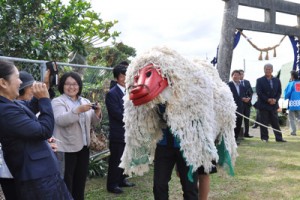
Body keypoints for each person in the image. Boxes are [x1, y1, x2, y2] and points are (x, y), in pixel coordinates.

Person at [0, 60, 72, 199]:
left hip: (42, 174)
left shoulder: (10, 103)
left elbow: (30, 106)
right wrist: (45, 100)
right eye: (17, 77)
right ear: (3, 82)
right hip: (36, 178)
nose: (20, 82)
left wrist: (45, 85)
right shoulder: (4, 111)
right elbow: (43, 131)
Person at [52, 72, 102, 200]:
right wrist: (77, 110)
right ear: (62, 86)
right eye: (67, 84)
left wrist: (97, 112)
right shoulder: (58, 102)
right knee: (67, 182)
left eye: (74, 84)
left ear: (79, 86)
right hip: (66, 148)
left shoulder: (85, 100)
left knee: (80, 181)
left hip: (84, 147)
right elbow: (60, 120)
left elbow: (92, 122)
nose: (71, 87)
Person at [154, 104, 198, 200]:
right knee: (159, 184)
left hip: (188, 145)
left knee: (190, 186)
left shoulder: (193, 91)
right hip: (164, 144)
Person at [106, 64, 135, 194]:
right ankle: (112, 184)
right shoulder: (112, 94)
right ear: (117, 78)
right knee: (116, 159)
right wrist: (133, 116)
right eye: (122, 76)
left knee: (127, 157)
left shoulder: (130, 91)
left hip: (129, 132)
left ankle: (122, 179)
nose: (125, 78)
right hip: (118, 132)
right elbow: (116, 113)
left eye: (127, 76)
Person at [255, 63, 286, 142]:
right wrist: (268, 99)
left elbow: (279, 92)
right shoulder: (259, 80)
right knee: (264, 123)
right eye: (266, 69)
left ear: (272, 70)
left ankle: (279, 138)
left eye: (269, 69)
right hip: (264, 104)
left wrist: (275, 99)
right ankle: (264, 138)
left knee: (275, 122)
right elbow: (259, 92)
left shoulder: (277, 80)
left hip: (274, 105)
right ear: (264, 70)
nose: (268, 71)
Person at [227, 70, 250, 144]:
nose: (236, 76)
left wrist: (246, 99)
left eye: (238, 75)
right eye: (235, 75)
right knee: (231, 124)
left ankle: (235, 139)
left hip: (240, 108)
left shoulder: (242, 86)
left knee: (238, 124)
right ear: (232, 76)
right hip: (231, 108)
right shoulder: (228, 85)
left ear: (240, 76)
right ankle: (231, 140)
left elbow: (244, 95)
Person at [284, 70, 300, 136]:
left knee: (292, 118)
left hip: (292, 104)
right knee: (299, 117)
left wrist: (286, 97)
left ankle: (293, 132)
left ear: (292, 76)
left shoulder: (291, 83)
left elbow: (287, 92)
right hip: (299, 103)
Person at [239, 69, 254, 138]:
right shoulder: (235, 83)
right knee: (239, 119)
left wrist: (249, 98)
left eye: (242, 74)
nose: (241, 75)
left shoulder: (247, 82)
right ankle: (238, 133)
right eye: (240, 74)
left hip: (247, 104)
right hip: (240, 104)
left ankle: (246, 133)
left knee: (247, 119)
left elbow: (251, 91)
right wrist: (242, 99)